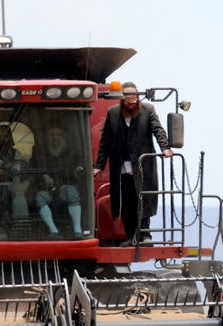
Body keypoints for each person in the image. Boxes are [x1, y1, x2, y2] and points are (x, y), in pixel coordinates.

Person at [93, 82, 172, 246]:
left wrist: (165, 148)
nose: (130, 100)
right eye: (127, 97)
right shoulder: (113, 112)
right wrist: (99, 166)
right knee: (126, 202)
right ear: (122, 98)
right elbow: (105, 141)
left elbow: (158, 129)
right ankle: (131, 237)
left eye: (133, 96)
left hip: (143, 165)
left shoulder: (148, 110)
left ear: (137, 96)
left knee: (143, 199)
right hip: (121, 166)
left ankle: (145, 235)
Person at [32, 125, 87, 238]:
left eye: (59, 135)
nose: (55, 138)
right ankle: (54, 231)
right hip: (47, 189)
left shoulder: (72, 152)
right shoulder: (39, 152)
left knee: (71, 192)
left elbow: (78, 167)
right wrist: (43, 176)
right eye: (52, 135)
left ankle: (78, 231)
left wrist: (77, 170)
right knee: (39, 197)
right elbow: (34, 168)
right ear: (46, 137)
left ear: (64, 137)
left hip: (64, 188)